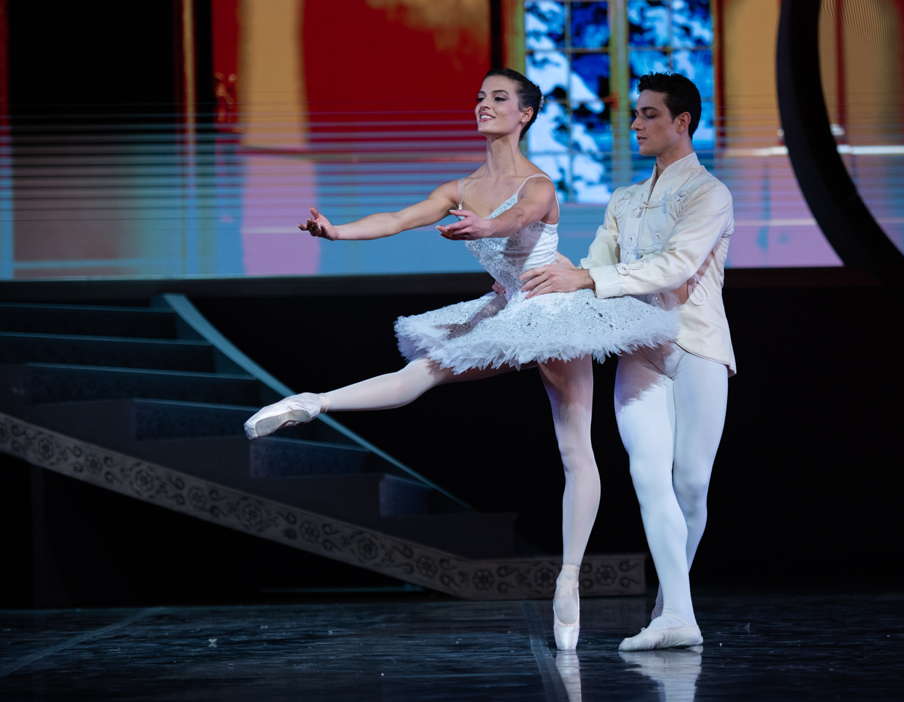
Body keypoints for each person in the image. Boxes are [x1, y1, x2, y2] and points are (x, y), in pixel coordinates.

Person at [242, 69, 678, 651]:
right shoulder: (459, 186)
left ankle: (568, 579)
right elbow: (397, 220)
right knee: (418, 376)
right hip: (504, 309)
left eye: (498, 98)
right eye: (479, 97)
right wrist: (337, 232)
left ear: (524, 114)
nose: (483, 105)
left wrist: (487, 225)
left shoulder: (539, 183)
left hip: (551, 310)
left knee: (576, 447)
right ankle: (310, 402)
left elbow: (518, 217)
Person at [520, 73, 736, 651]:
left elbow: (676, 266)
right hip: (640, 350)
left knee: (690, 484)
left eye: (647, 114)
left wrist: (590, 276)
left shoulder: (709, 194)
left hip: (697, 348)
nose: (635, 125)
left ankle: (674, 607)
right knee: (646, 476)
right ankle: (677, 618)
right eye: (635, 115)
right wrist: (545, 271)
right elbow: (592, 267)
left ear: (681, 122)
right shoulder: (624, 200)